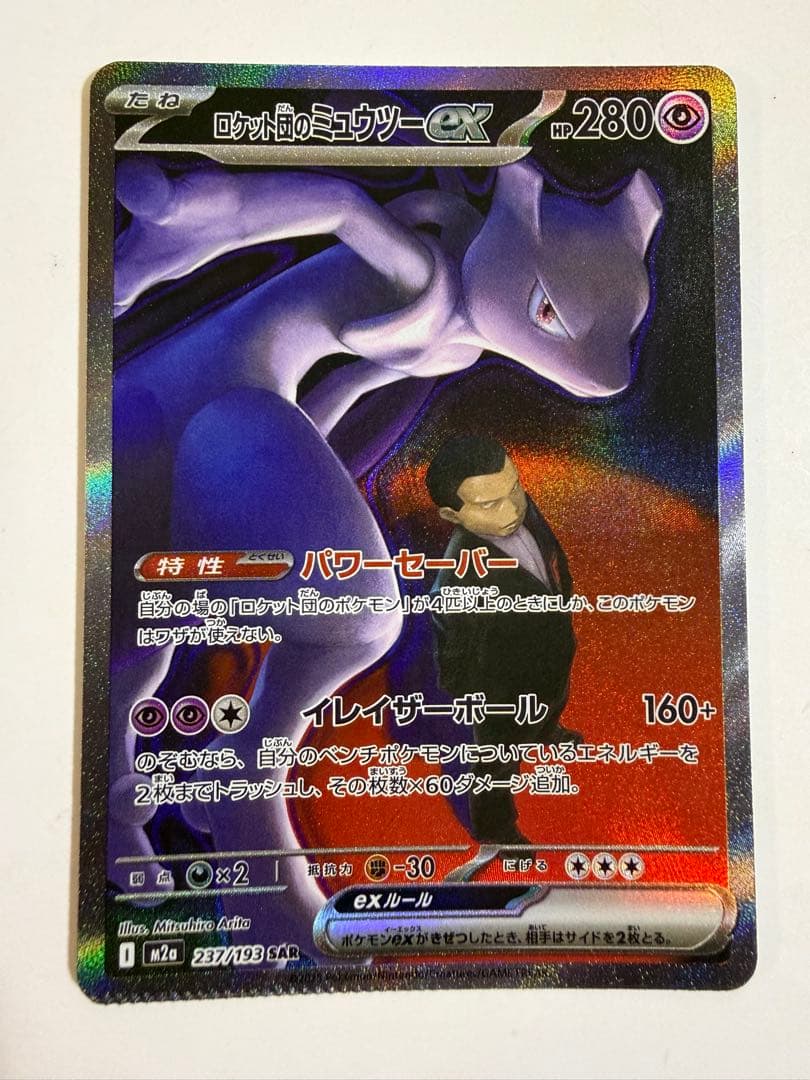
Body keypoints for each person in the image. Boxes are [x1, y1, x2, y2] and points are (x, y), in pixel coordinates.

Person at [426, 435, 581, 845]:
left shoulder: (525, 510)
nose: (512, 509)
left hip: (550, 652)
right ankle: (495, 828)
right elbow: (455, 653)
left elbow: (552, 556)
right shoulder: (456, 579)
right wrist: (482, 700)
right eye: (489, 504)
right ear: (452, 514)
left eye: (514, 489)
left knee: (553, 699)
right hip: (501, 690)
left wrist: (562, 600)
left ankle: (546, 731)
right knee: (496, 761)